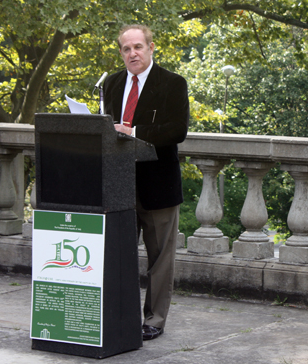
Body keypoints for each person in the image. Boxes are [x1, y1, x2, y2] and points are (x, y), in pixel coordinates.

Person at [103, 24, 189, 340]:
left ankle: (154, 319)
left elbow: (177, 130)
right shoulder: (110, 84)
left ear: (151, 47)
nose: (132, 53)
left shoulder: (172, 83)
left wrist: (132, 132)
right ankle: (117, 315)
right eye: (126, 49)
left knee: (160, 261)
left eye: (138, 47)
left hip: (158, 185)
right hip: (118, 185)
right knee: (116, 255)